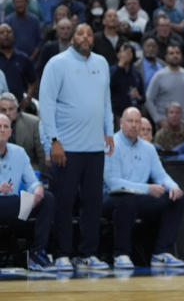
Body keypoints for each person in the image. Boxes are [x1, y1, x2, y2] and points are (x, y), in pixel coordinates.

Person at [38, 23, 114, 270]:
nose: (85, 37)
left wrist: (109, 131)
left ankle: (87, 254)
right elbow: (46, 105)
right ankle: (62, 253)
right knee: (64, 202)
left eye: (89, 33)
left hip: (94, 147)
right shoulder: (57, 63)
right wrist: (52, 141)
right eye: (80, 33)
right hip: (66, 147)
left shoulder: (102, 63)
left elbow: (107, 101)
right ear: (72, 37)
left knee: (93, 203)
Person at [103, 107, 184, 268]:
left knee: (177, 199)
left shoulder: (148, 148)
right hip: (112, 197)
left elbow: (161, 176)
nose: (134, 125)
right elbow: (113, 182)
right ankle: (122, 254)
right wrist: (147, 188)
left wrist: (174, 187)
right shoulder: (110, 145)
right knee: (125, 201)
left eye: (137, 122)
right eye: (130, 121)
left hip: (139, 197)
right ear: (121, 123)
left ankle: (161, 252)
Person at [0, 113, 56, 270]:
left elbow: (31, 181)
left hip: (15, 207)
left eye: (5, 127)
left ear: (10, 132)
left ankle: (36, 254)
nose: (2, 130)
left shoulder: (19, 152)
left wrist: (37, 189)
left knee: (47, 198)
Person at [145, 45, 184, 124]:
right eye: (171, 53)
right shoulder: (159, 75)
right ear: (166, 57)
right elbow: (148, 99)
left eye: (177, 53)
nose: (175, 55)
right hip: (164, 123)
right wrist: (157, 119)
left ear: (181, 56)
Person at [0, 91, 43, 173]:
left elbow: (41, 155)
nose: (7, 113)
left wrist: (42, 177)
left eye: (11, 109)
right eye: (3, 110)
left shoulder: (33, 123)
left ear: (17, 109)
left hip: (27, 171)